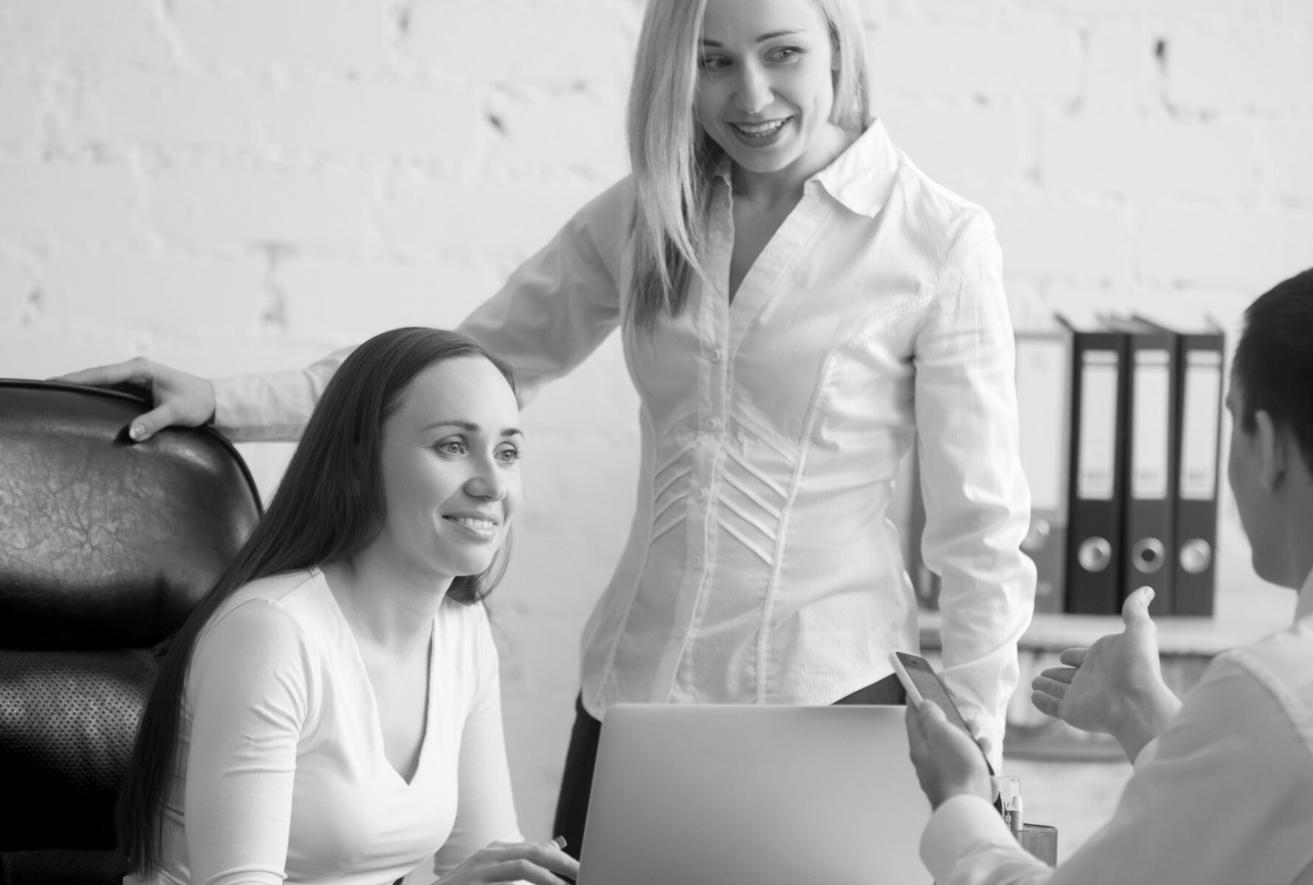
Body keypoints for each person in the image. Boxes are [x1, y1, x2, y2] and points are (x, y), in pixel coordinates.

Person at [67, 0, 1035, 855]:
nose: (751, 95)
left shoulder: (936, 242)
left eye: (782, 53)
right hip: (632, 696)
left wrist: (977, 753)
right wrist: (228, 401)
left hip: (831, 705)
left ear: (837, 45)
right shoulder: (649, 214)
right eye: (711, 60)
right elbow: (465, 366)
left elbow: (979, 532)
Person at [904, 260, 1313, 884]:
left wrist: (959, 799)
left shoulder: (1284, 692)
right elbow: (1299, 799)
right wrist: (1141, 712)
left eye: (1230, 418)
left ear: (1268, 445)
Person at [116, 327, 580, 885]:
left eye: (508, 452)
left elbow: (489, 865)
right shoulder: (271, 634)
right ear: (361, 460)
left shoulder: (462, 630)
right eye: (452, 446)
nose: (492, 484)